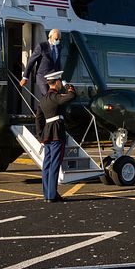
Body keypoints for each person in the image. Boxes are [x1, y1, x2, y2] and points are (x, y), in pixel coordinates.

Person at [36, 70, 76, 203]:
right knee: (54, 164)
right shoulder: (55, 97)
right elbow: (71, 96)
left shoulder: (43, 99)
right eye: (59, 81)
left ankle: (47, 194)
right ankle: (52, 195)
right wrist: (71, 89)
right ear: (57, 82)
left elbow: (38, 119)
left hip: (47, 133)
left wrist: (40, 136)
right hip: (56, 132)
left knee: (47, 164)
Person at [20, 29, 62, 96]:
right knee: (48, 97)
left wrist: (60, 77)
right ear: (50, 37)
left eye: (60, 39)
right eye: (56, 39)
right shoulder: (42, 46)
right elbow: (31, 61)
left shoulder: (59, 47)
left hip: (55, 78)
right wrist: (25, 77)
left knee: (54, 99)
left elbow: (58, 63)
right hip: (43, 78)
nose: (58, 41)